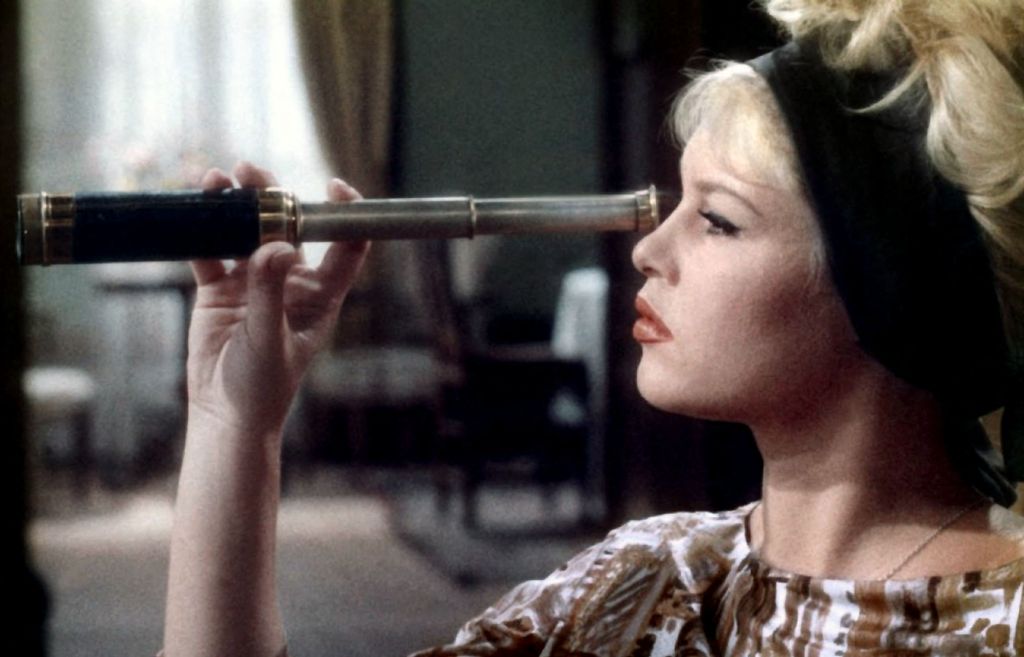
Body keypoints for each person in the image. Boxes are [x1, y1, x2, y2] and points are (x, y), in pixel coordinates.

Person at [160, 0, 1024, 655]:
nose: (649, 250)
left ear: (892, 279)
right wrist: (234, 423)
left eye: (717, 219)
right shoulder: (647, 579)